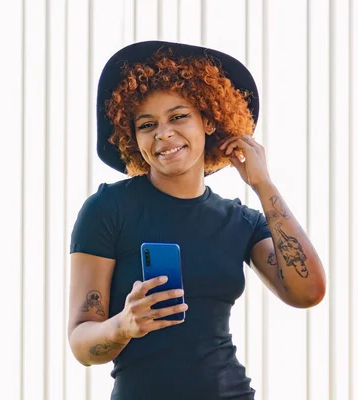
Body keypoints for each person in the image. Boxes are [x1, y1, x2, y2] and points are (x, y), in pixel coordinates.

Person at [67, 41, 326, 399]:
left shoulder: (241, 221)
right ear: (134, 138)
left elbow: (308, 292)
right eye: (147, 124)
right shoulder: (108, 209)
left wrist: (263, 184)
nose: (163, 133)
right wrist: (123, 325)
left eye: (178, 117)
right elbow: (82, 343)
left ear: (207, 121)